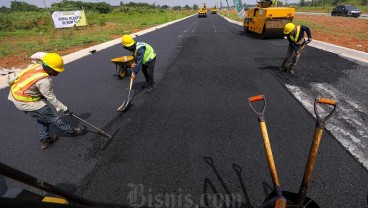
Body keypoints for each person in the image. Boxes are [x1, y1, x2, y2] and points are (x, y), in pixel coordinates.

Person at [7, 53, 87, 149]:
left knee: (43, 117)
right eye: (56, 70)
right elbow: (51, 98)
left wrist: (39, 94)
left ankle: (45, 140)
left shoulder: (36, 67)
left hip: (18, 95)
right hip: (26, 101)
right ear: (48, 68)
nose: (58, 72)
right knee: (52, 118)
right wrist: (65, 109)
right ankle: (73, 132)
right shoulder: (44, 81)